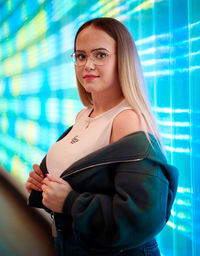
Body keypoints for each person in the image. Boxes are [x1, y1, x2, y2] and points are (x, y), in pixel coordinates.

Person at [25, 17, 178, 256]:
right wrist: (43, 183)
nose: (87, 65)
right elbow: (84, 177)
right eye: (81, 56)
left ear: (123, 61)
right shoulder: (84, 115)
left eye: (101, 55)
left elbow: (142, 216)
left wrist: (70, 201)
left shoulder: (127, 121)